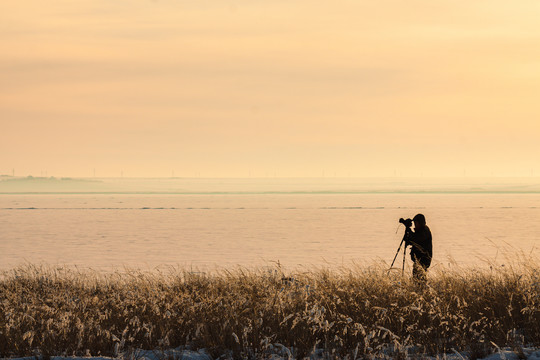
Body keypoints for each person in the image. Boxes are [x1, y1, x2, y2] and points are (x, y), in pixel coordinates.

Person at [405, 214, 432, 284]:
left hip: (423, 260)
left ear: (420, 223)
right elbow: (415, 241)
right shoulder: (420, 231)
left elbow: (416, 239)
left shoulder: (425, 231)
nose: (415, 225)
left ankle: (422, 290)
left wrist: (409, 231)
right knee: (416, 279)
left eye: (416, 223)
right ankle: (419, 289)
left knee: (420, 279)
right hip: (418, 260)